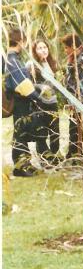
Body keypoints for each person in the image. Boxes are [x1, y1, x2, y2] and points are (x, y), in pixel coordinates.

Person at [4, 29, 41, 176]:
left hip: (20, 100)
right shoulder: (11, 60)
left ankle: (25, 164)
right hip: (20, 100)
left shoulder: (9, 58)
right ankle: (20, 167)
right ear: (20, 41)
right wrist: (38, 98)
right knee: (21, 133)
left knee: (23, 132)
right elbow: (21, 85)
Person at [26, 38, 60, 164]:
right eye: (39, 48)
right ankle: (46, 159)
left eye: (45, 47)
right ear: (34, 51)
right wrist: (40, 89)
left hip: (53, 102)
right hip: (38, 103)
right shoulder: (30, 65)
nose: (43, 50)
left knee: (55, 131)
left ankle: (55, 157)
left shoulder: (51, 63)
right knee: (41, 132)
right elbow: (28, 85)